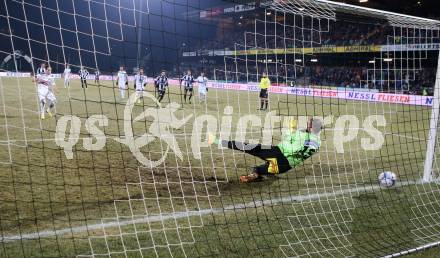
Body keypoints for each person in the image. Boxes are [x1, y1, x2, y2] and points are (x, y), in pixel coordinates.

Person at [208, 118, 322, 183]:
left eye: (308, 124)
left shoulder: (305, 137)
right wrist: (294, 131)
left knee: (251, 147)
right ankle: (256, 176)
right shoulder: (316, 141)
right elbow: (299, 144)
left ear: (311, 127)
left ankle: (217, 141)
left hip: (280, 156)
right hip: (283, 167)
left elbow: (294, 144)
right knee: (257, 168)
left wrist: (292, 131)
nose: (306, 124)